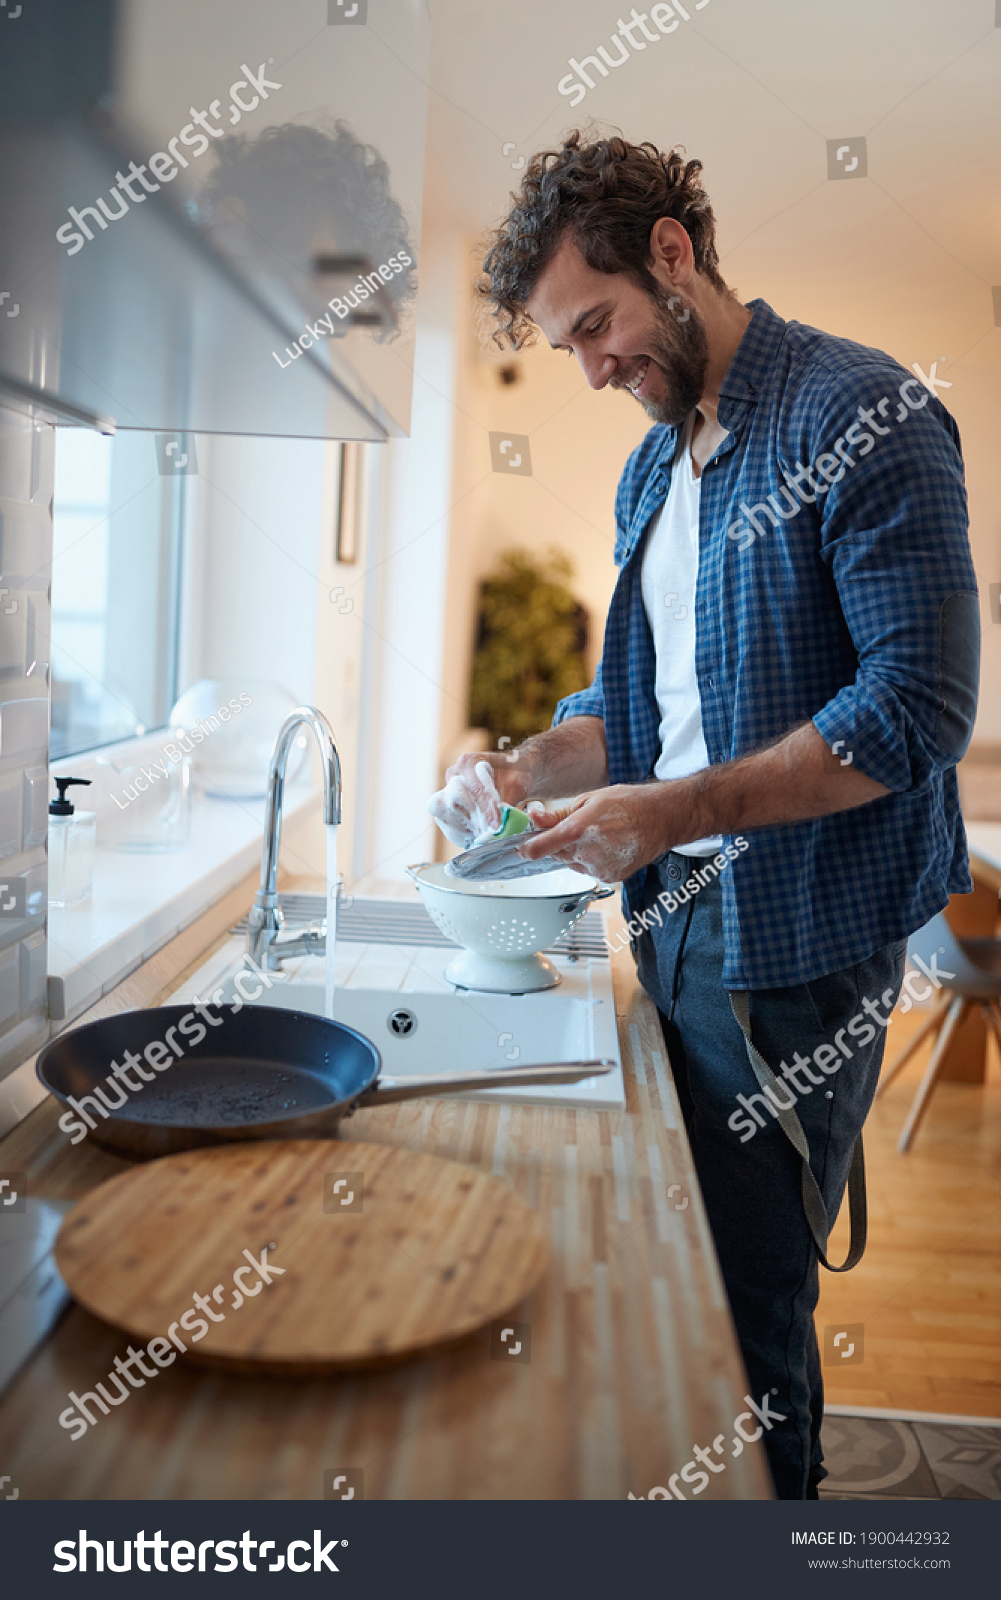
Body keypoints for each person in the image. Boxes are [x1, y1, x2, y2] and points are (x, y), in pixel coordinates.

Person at [429, 134, 980, 1500]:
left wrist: (669, 812)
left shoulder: (863, 414)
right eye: (565, 345)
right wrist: (524, 769)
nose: (593, 367)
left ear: (672, 255)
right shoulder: (649, 470)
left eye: (596, 325)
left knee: (742, 1310)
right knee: (666, 1263)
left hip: (794, 942)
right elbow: (649, 705)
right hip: (666, 914)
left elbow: (912, 712)